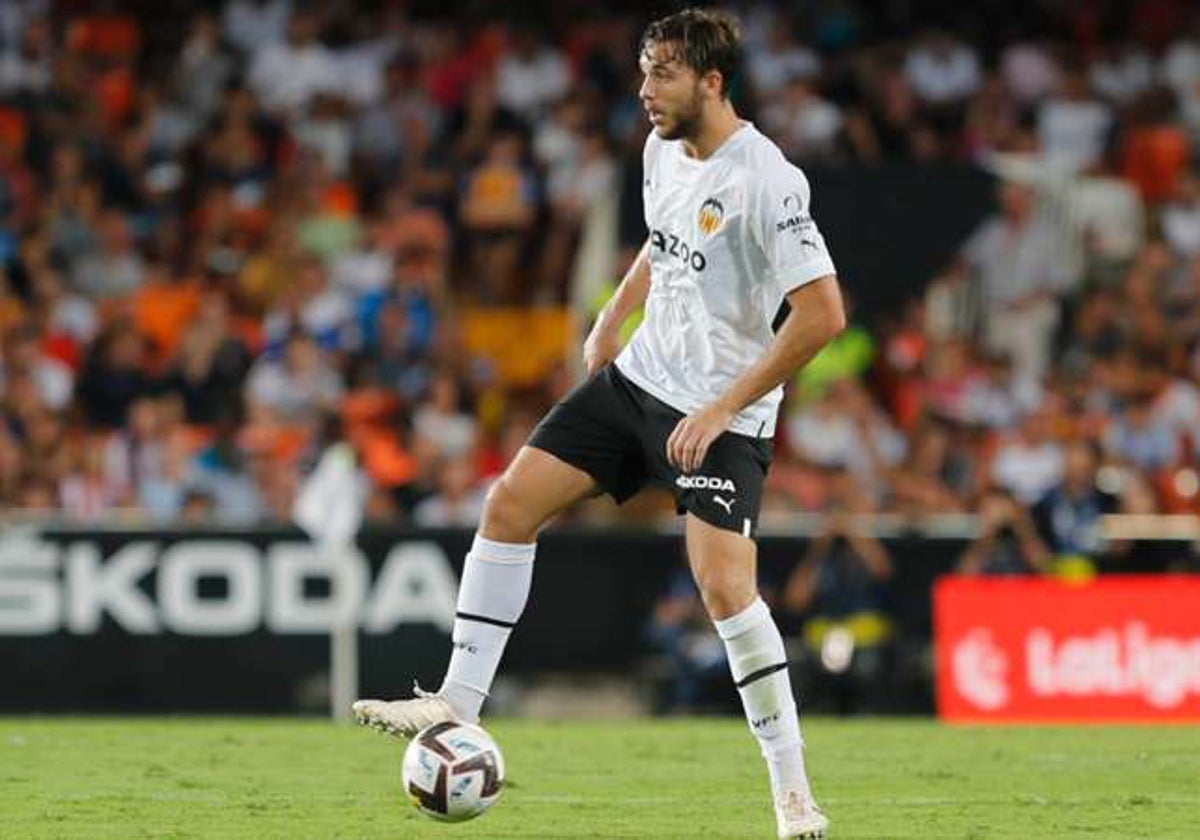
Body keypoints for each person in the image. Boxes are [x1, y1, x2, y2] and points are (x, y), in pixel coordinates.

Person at [353, 10, 843, 838]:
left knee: (726, 591)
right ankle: (456, 703)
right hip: (639, 379)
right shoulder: (658, 150)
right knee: (508, 504)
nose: (644, 90)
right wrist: (615, 312)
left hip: (720, 415)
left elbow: (822, 314)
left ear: (711, 82)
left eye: (663, 75)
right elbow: (663, 239)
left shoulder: (769, 179)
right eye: (644, 71)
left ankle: (793, 795)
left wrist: (723, 408)